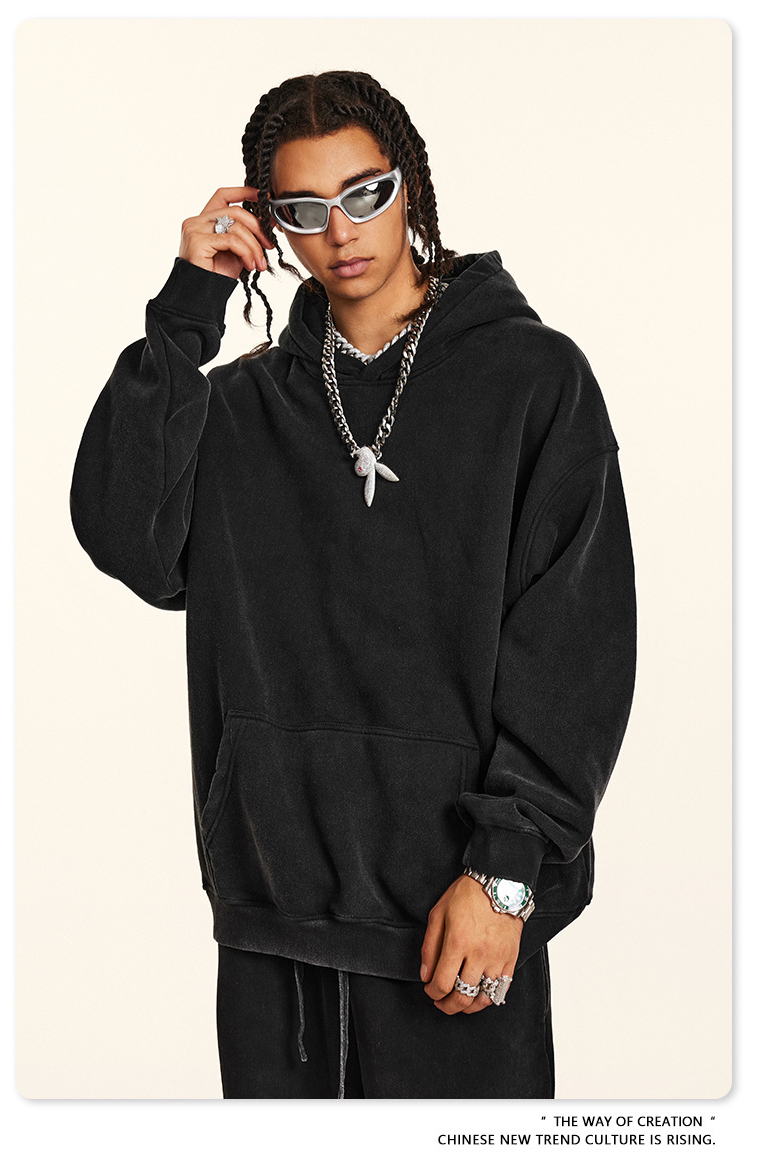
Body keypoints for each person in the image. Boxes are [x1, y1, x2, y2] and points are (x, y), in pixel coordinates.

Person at [70, 70, 636, 1100]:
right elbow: (125, 536)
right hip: (273, 924)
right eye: (303, 209)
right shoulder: (237, 409)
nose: (340, 231)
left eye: (365, 193)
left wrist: (506, 871)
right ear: (269, 225)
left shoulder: (532, 381)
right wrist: (187, 310)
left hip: (458, 918)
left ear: (409, 182)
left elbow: (574, 643)